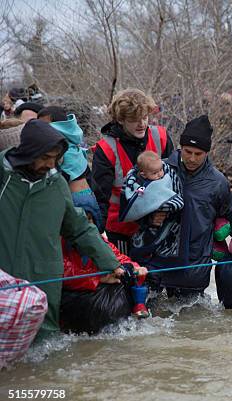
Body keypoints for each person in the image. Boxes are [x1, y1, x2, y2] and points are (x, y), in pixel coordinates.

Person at [0, 120, 123, 339]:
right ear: (29, 152)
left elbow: (80, 228)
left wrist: (111, 264)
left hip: (43, 279)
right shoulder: (4, 176)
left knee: (45, 343)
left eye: (55, 159)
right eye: (45, 158)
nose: (51, 164)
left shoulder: (56, 184)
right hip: (5, 277)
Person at [156, 115, 232, 298]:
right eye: (187, 151)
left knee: (190, 318)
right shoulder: (161, 170)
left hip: (195, 261)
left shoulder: (216, 181)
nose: (191, 158)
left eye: (198, 154)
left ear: (207, 153)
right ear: (181, 148)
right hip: (159, 257)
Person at [92, 88, 174, 254]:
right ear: (121, 120)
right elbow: (100, 197)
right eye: (135, 120)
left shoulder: (161, 137)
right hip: (122, 229)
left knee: (158, 276)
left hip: (159, 223)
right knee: (129, 275)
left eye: (144, 117)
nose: (142, 124)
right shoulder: (106, 149)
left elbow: (175, 180)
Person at [61, 192, 151, 324]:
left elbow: (119, 258)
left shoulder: (101, 243)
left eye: (89, 220)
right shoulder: (60, 245)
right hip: (73, 300)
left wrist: (135, 267)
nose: (85, 225)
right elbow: (64, 272)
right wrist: (98, 278)